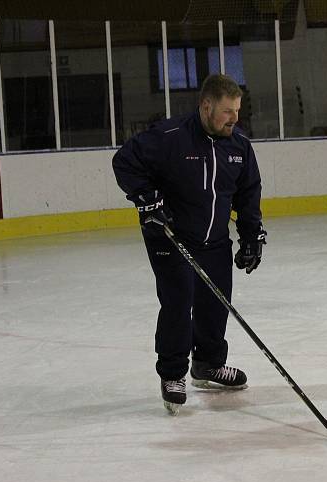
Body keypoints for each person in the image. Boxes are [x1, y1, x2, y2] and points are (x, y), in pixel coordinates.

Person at [112, 73, 266, 415]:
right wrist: (146, 199)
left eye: (238, 110)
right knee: (179, 302)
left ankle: (208, 364)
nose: (235, 118)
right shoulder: (170, 137)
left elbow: (248, 193)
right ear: (207, 106)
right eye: (228, 111)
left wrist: (252, 234)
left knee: (216, 301)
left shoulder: (238, 146)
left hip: (214, 240)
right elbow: (124, 162)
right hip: (171, 237)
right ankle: (172, 373)